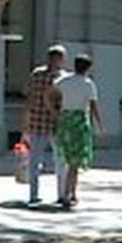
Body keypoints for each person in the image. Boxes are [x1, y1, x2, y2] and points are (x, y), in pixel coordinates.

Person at [54, 50, 105, 209]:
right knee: (75, 162)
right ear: (87, 68)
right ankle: (69, 194)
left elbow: (49, 94)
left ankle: (69, 193)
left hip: (65, 119)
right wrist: (100, 125)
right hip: (79, 121)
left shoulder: (63, 80)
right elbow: (93, 106)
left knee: (65, 158)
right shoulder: (88, 84)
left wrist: (54, 111)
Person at [19, 43, 68, 207]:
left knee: (36, 161)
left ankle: (34, 195)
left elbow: (28, 97)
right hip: (55, 124)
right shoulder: (64, 78)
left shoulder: (37, 74)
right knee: (59, 161)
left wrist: (25, 123)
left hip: (38, 122)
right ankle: (61, 195)